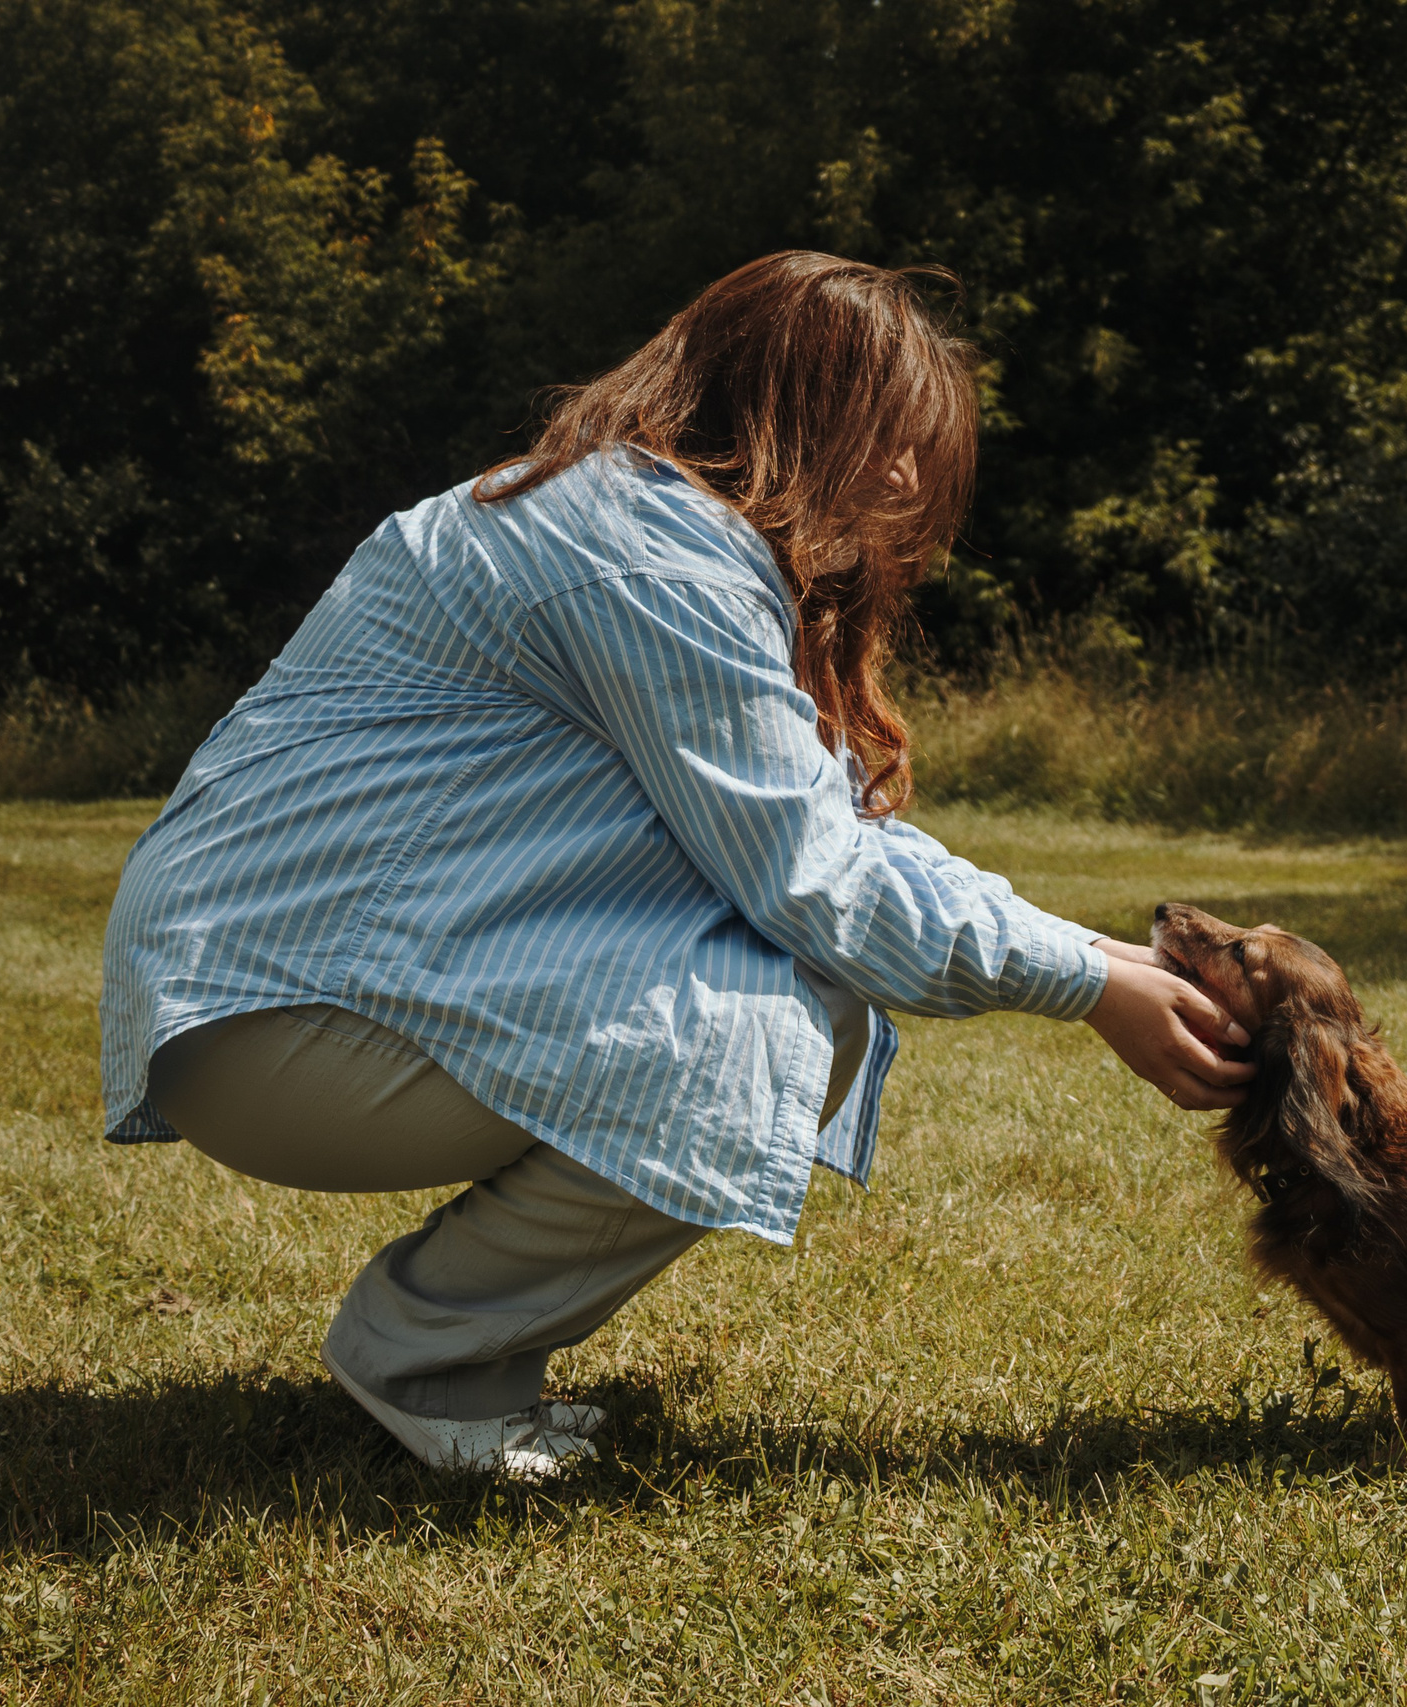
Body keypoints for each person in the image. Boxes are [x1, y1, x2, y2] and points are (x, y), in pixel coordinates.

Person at [99, 252, 1253, 1479]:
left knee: (801, 996)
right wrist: (1089, 990)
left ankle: (454, 1351)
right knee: (774, 1011)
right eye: (889, 434)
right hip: (281, 1014)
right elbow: (816, 883)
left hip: (284, 986)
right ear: (785, 409)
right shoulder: (650, 555)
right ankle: (421, 1355)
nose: (913, 477)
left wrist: (1105, 959)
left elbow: (831, 838)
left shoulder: (642, 525)